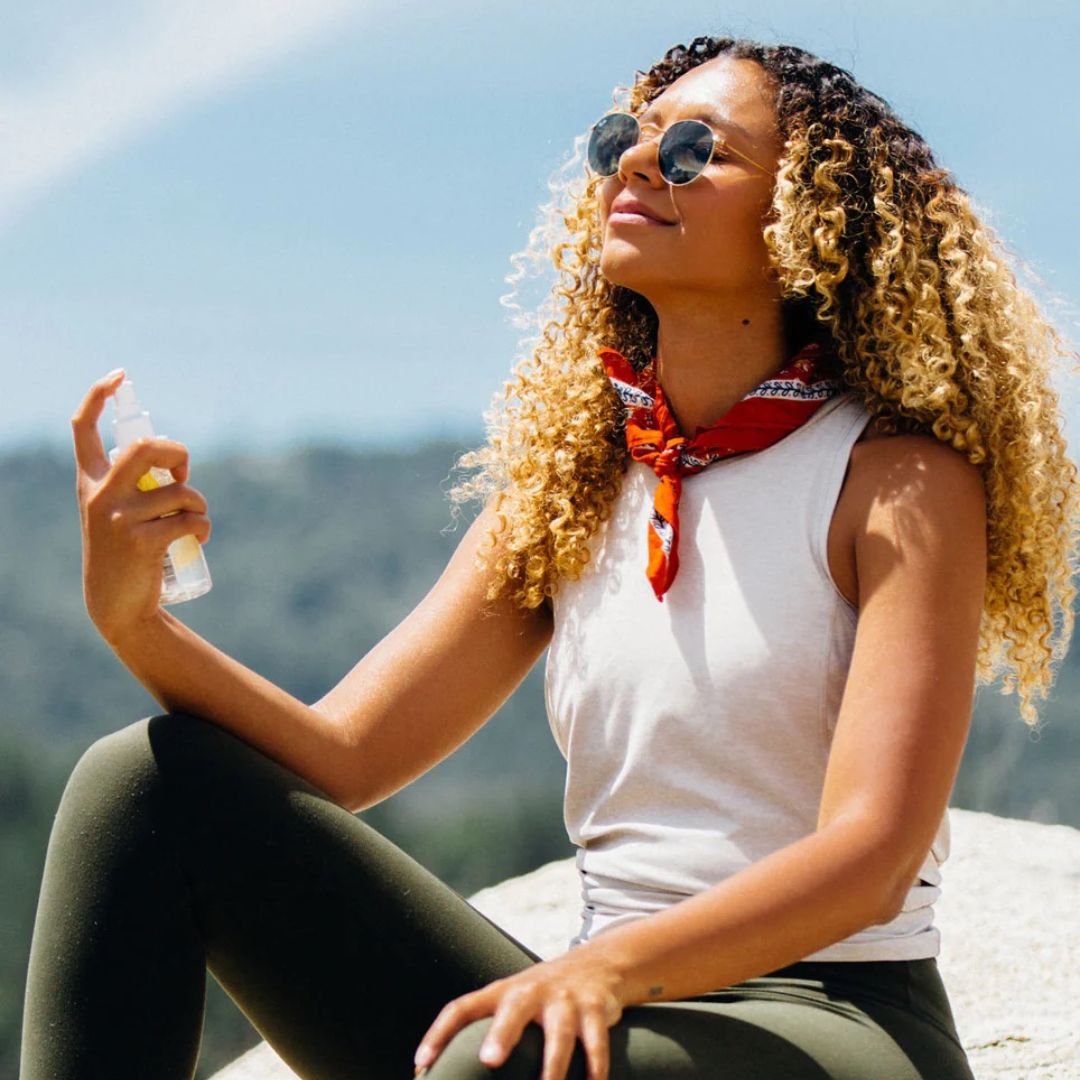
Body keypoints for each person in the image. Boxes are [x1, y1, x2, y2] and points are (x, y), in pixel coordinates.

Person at [22, 33, 1078, 1080]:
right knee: (142, 785)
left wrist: (608, 968)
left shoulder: (894, 481)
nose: (636, 162)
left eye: (694, 152)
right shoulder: (572, 487)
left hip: (833, 1010)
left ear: (809, 221)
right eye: (626, 138)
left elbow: (873, 855)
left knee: (498, 1065)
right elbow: (341, 758)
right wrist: (134, 624)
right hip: (609, 1004)